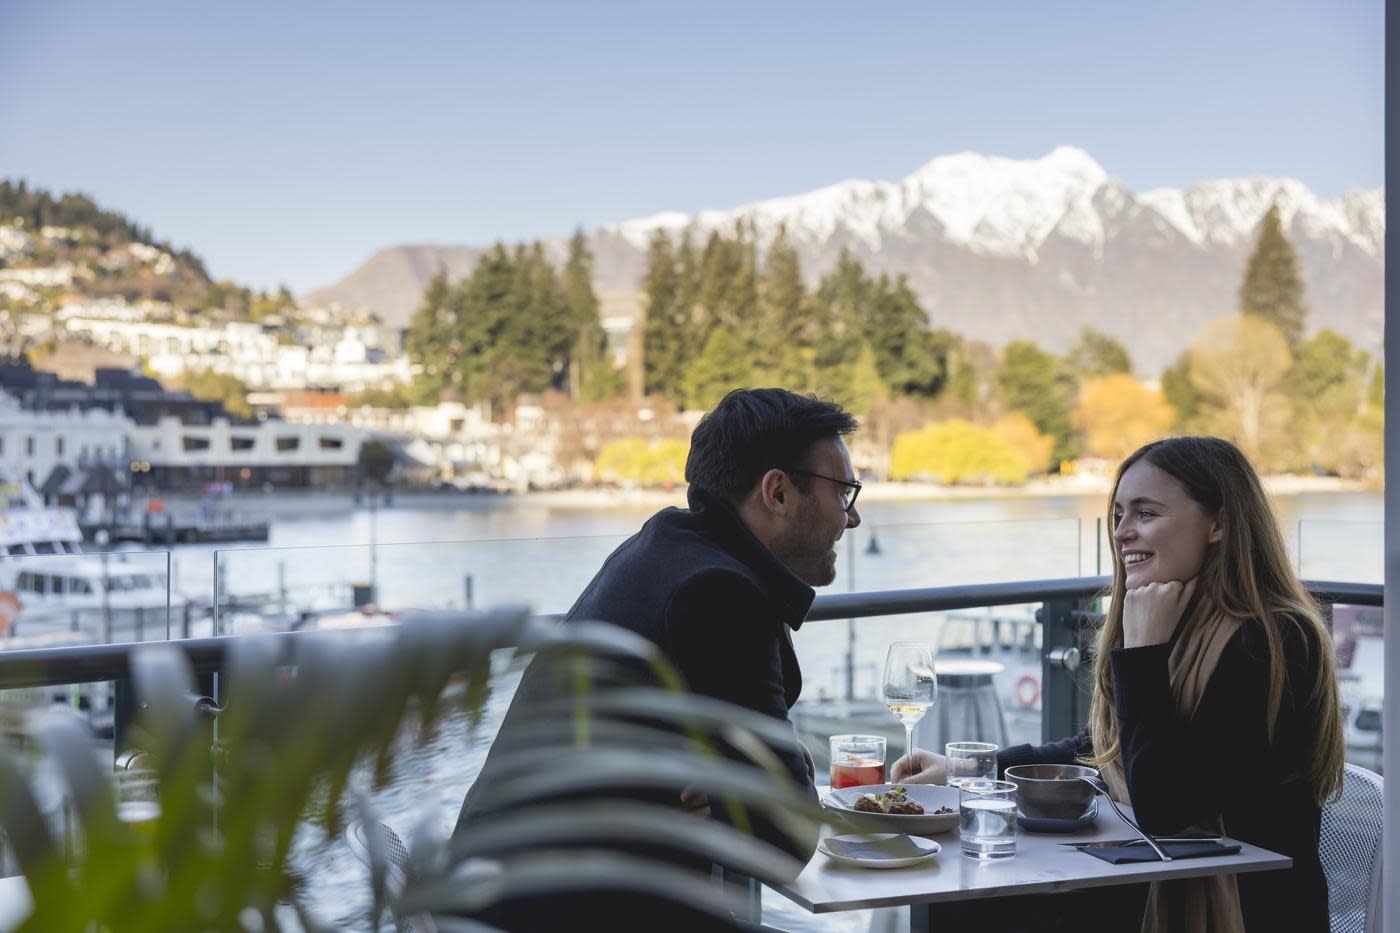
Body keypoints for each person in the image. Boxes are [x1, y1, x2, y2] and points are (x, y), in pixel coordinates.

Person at [895, 436, 1344, 933]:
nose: (1123, 533)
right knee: (962, 902)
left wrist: (1144, 654)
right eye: (1118, 516)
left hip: (1247, 904)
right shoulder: (1178, 618)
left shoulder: (1276, 639)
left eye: (1146, 514)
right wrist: (967, 769)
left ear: (1219, 523)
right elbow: (1104, 750)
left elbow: (1164, 808)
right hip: (1157, 877)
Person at [455, 387, 861, 927]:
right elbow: (788, 840)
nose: (851, 519)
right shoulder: (719, 594)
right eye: (845, 493)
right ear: (778, 492)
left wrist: (738, 788)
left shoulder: (666, 550)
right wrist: (749, 787)